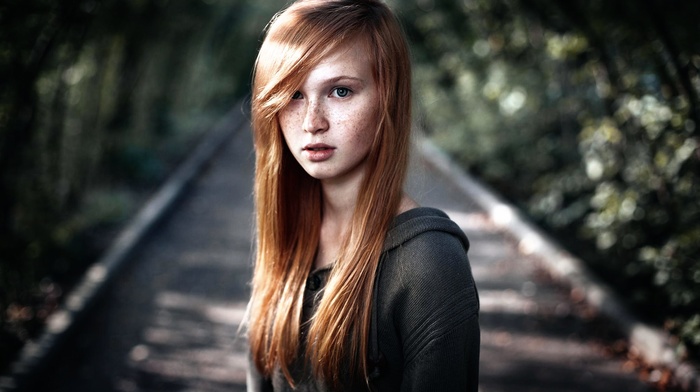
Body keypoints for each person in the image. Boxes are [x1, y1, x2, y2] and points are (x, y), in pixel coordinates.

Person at [245, 0, 480, 390]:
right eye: (293, 95)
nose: (311, 122)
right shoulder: (286, 234)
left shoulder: (429, 263)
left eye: (339, 91)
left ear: (387, 97)